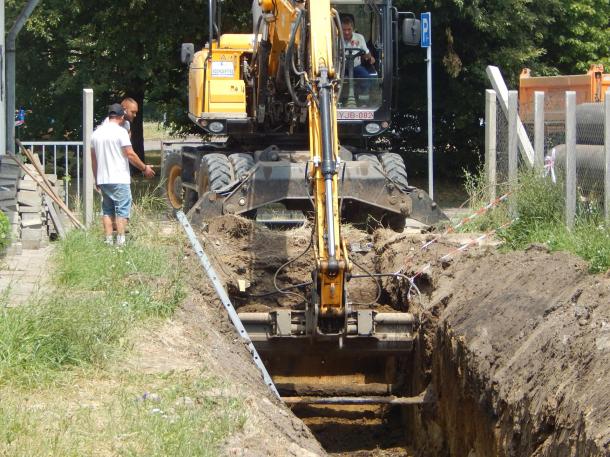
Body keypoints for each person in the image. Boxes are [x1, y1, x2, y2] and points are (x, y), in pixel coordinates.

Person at [91, 103, 155, 246]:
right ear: (121, 117)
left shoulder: (96, 133)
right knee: (122, 211)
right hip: (119, 178)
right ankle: (121, 242)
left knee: (107, 210)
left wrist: (96, 179)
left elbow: (93, 159)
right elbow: (130, 154)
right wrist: (144, 168)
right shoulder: (121, 132)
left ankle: (108, 241)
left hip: (103, 179)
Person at [340, 15, 376, 80]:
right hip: (341, 69)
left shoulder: (360, 38)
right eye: (344, 30)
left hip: (356, 67)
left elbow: (366, 53)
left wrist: (369, 57)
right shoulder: (336, 40)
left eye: (349, 29)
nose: (346, 32)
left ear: (353, 29)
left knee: (367, 79)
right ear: (340, 29)